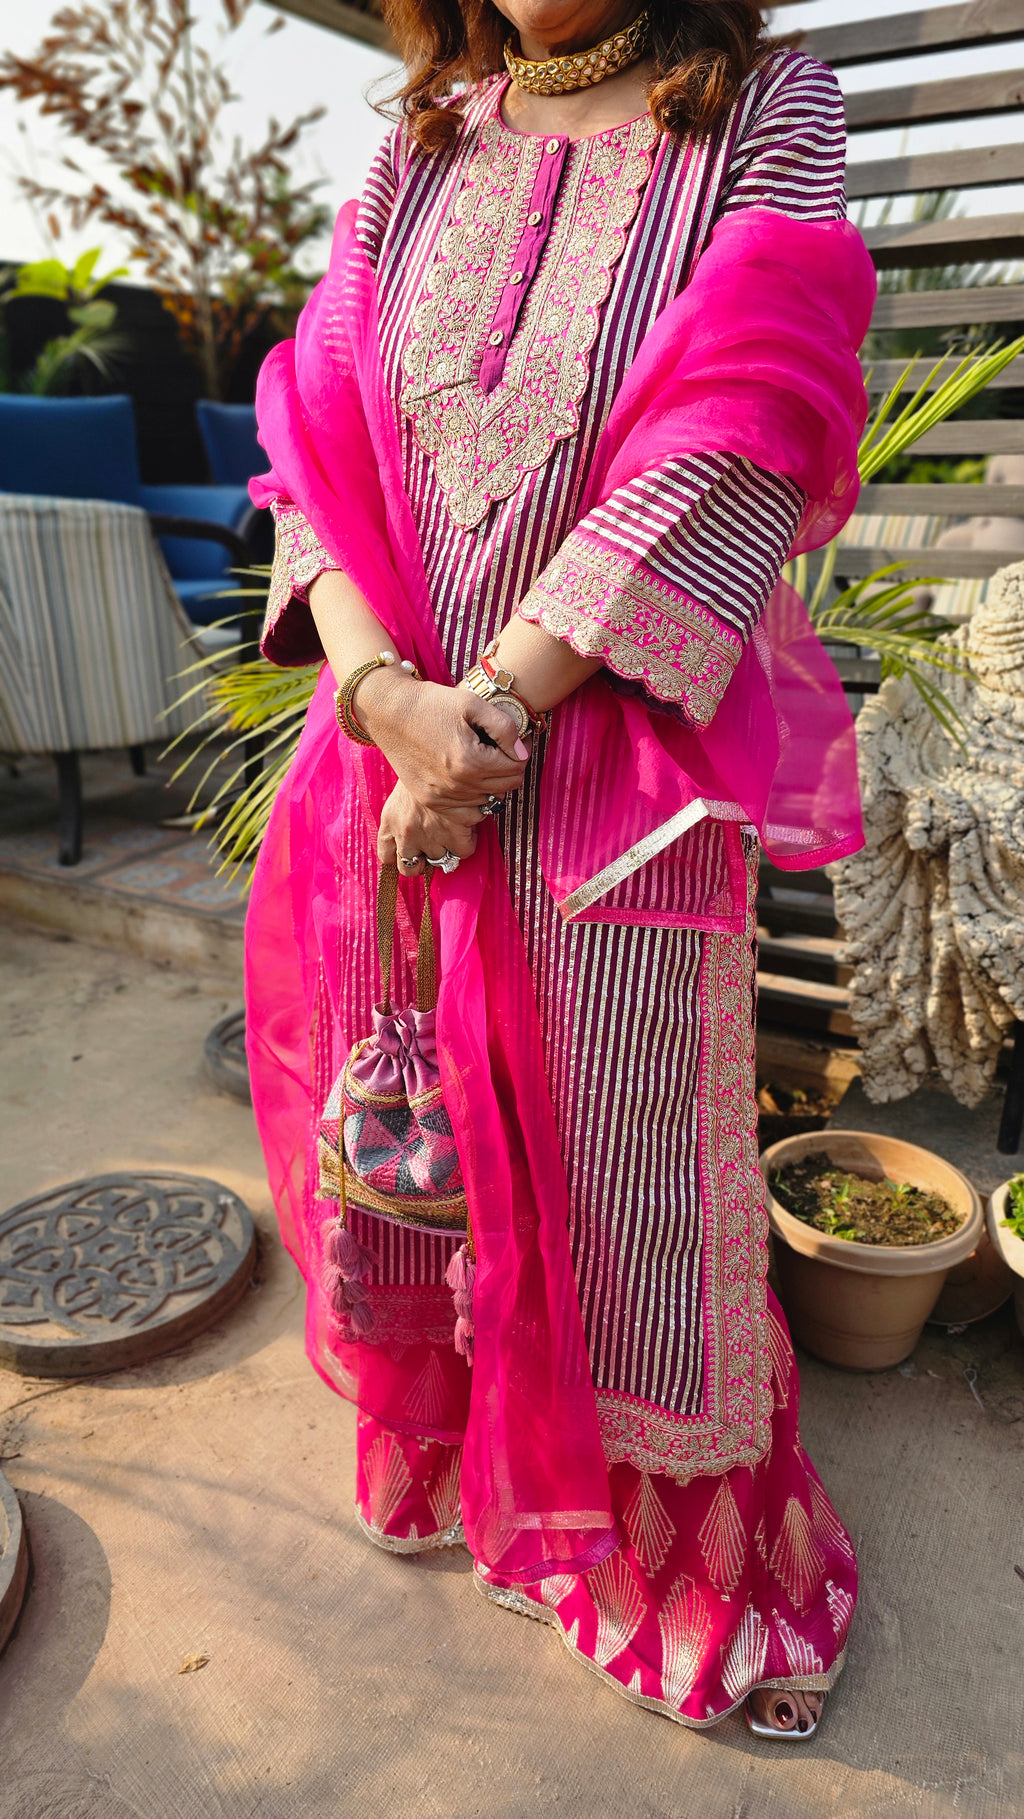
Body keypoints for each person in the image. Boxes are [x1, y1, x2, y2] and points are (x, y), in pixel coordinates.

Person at [246, 0, 875, 1738]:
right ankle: (469, 1462)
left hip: (610, 762)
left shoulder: (766, 105)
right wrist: (383, 700)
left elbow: (747, 418)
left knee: (629, 1172)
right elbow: (311, 442)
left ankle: (669, 1560)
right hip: (391, 776)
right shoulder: (419, 144)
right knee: (421, 1141)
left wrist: (496, 716)